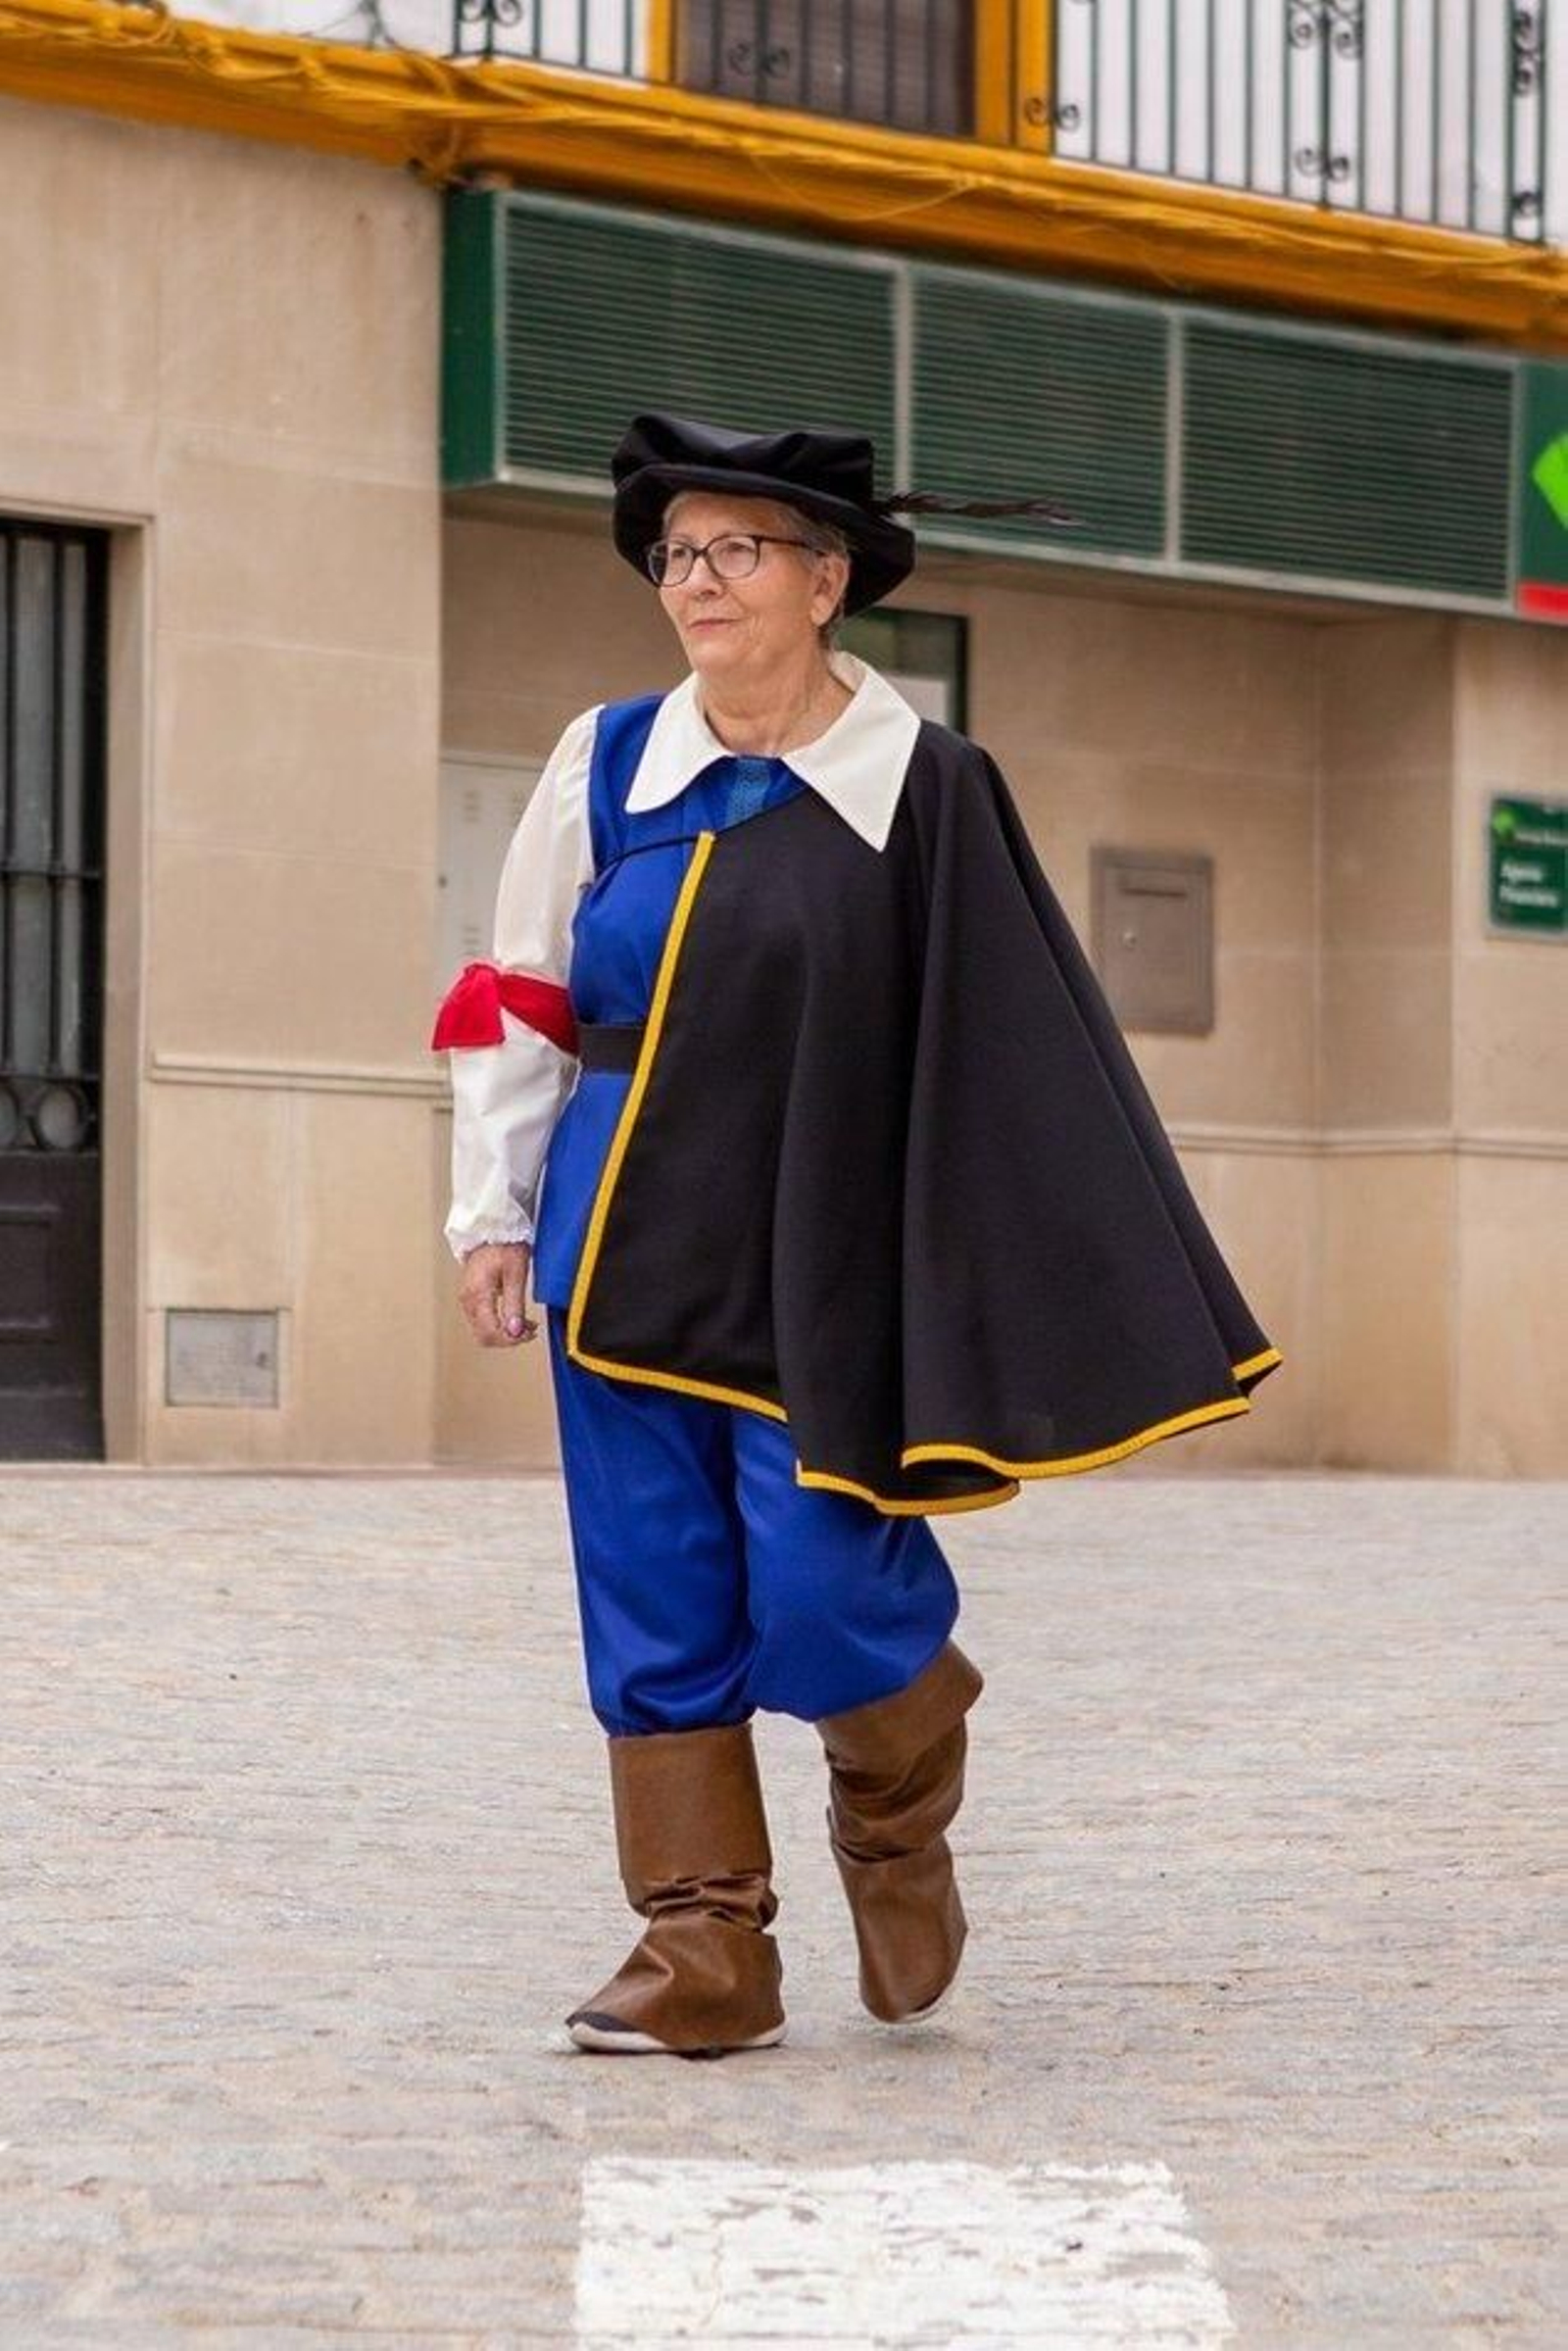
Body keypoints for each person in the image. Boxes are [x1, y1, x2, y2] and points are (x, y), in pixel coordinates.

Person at [433, 412, 1282, 2061]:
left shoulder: (927, 789)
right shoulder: (603, 762)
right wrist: (493, 1211)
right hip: (613, 1232)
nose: (697, 581)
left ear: (827, 583)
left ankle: (894, 1809)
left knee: (825, 1586)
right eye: (677, 553)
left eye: (736, 550)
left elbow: (1011, 1040)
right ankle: (703, 1948)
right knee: (652, 1588)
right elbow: (523, 995)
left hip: (826, 1236)